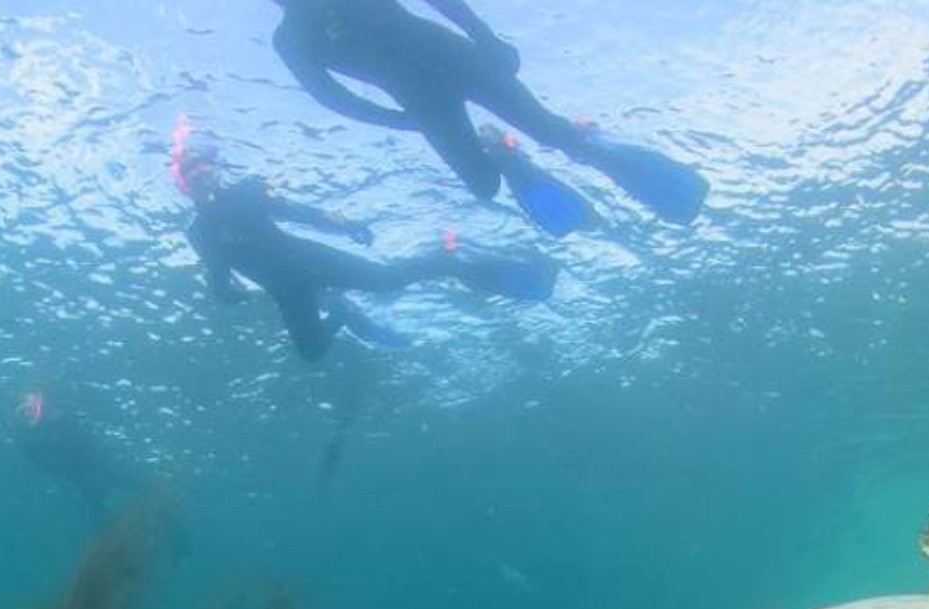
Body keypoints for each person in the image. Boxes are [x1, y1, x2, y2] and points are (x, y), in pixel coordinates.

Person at [268, 0, 708, 236]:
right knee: (484, 185)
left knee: (553, 133)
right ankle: (505, 155)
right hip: (423, 99)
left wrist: (487, 39)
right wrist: (399, 121)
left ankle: (587, 141)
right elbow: (329, 97)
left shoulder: (290, 38)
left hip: (457, 61)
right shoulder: (289, 38)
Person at [175, 122, 557, 363]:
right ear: (185, 186)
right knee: (312, 353)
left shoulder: (247, 193)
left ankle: (447, 258)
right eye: (194, 176)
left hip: (308, 260)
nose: (203, 180)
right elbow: (217, 275)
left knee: (386, 280)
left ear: (217, 171)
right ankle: (340, 312)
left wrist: (349, 226)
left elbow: (302, 212)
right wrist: (230, 295)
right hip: (285, 290)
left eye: (206, 170)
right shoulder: (199, 232)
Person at [12, 391, 126, 520]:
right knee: (94, 496)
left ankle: (145, 494)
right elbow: (37, 459)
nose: (29, 413)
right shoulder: (24, 436)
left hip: (91, 459)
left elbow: (84, 434)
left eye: (33, 408)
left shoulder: (60, 416)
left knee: (116, 477)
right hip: (72, 470)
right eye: (24, 411)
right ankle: (106, 524)